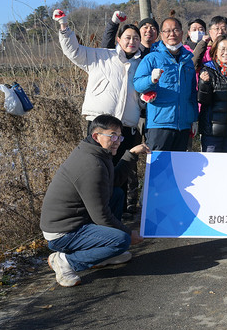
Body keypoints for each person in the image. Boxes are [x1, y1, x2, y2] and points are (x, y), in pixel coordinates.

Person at [40, 114, 150, 287]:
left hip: (76, 220)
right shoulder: (92, 164)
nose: (117, 141)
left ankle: (104, 255)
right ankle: (64, 261)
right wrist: (129, 234)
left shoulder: (96, 152)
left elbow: (113, 182)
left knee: (116, 194)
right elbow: (101, 216)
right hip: (63, 232)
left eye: (119, 136)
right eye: (112, 136)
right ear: (96, 136)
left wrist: (131, 154)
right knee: (121, 240)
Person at [54, 9, 144, 217]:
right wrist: (64, 26)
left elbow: (143, 93)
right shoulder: (101, 56)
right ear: (119, 39)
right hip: (100, 125)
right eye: (128, 37)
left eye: (135, 38)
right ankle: (92, 215)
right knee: (96, 169)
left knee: (121, 169)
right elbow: (73, 51)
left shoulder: (141, 65)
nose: (132, 41)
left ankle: (118, 216)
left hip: (126, 126)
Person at [133, 15, 198, 151]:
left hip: (183, 125)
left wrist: (193, 119)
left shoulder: (188, 61)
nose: (171, 34)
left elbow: (192, 93)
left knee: (179, 163)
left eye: (175, 30)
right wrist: (151, 80)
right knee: (158, 163)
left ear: (182, 33)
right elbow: (138, 84)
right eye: (167, 31)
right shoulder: (152, 58)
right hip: (159, 124)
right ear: (161, 34)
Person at [197, 35, 227, 152]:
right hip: (212, 132)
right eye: (222, 49)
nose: (226, 53)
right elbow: (203, 100)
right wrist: (204, 84)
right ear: (215, 51)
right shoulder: (208, 69)